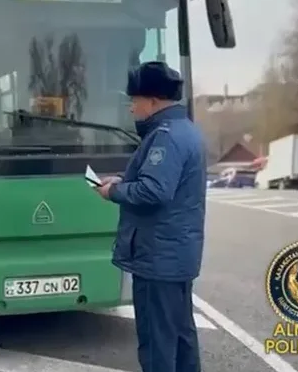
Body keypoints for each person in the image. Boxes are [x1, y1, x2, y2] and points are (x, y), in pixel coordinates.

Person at [95, 61, 206, 372]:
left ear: (153, 101)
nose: (131, 109)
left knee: (158, 343)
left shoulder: (165, 137)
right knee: (181, 336)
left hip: (158, 258)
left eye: (134, 101)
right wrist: (124, 181)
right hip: (177, 255)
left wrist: (113, 192)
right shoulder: (186, 131)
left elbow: (154, 192)